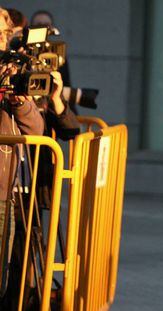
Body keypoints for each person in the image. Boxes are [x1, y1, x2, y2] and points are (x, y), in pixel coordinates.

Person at [0, 6, 44, 299]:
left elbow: (36, 130)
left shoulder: (10, 71)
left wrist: (19, 102)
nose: (3, 40)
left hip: (4, 195)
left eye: (3, 34)